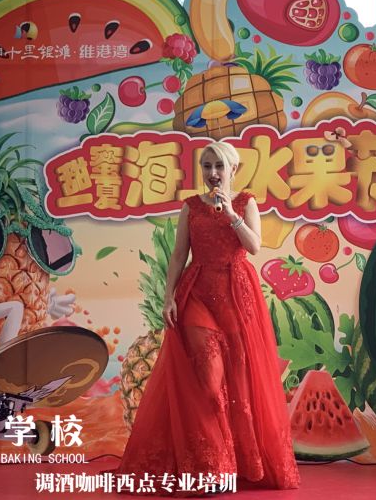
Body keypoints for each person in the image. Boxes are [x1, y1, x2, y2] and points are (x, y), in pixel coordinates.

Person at [119, 141, 300, 491]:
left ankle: (240, 465)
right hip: (197, 293)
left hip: (236, 294)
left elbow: (254, 246)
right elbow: (178, 256)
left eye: (219, 166)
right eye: (206, 166)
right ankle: (212, 468)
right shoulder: (191, 207)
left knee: (239, 380)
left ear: (233, 169)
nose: (213, 173)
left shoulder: (245, 203)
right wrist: (169, 298)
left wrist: (231, 215)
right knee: (210, 381)